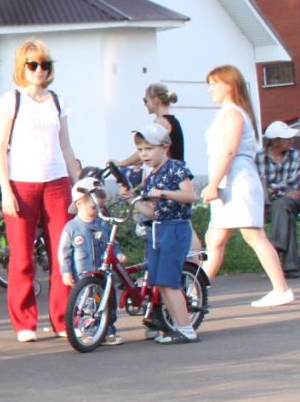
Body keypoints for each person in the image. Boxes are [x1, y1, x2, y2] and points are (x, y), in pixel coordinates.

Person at [0, 40, 80, 341]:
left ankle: (62, 318)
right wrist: (5, 189)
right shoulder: (11, 100)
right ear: (22, 68)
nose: (40, 70)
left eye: (46, 65)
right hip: (22, 182)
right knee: (22, 256)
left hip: (57, 183)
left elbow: (66, 146)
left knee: (63, 253)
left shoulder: (58, 99)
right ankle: (25, 323)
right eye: (33, 65)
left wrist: (77, 184)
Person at [201, 65, 293, 307]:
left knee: (253, 235)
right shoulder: (227, 113)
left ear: (229, 85)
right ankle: (195, 291)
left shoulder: (233, 113)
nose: (210, 89)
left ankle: (281, 288)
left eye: (214, 83)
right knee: (215, 239)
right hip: (228, 180)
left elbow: (229, 150)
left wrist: (212, 184)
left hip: (237, 180)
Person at [125, 123, 199, 343]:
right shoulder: (150, 177)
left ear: (165, 147)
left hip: (175, 227)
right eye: (140, 150)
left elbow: (190, 196)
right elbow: (152, 213)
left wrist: (164, 193)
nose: (144, 154)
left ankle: (186, 329)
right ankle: (177, 326)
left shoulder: (176, 167)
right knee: (159, 281)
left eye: (149, 148)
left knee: (169, 281)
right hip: (157, 229)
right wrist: (132, 199)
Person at [59, 180, 120, 345]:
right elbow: (64, 251)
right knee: (86, 304)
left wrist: (118, 254)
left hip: (104, 273)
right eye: (94, 207)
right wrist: (65, 271)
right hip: (83, 275)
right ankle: (90, 330)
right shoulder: (71, 227)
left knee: (109, 301)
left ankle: (109, 330)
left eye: (100, 208)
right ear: (79, 204)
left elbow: (113, 241)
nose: (98, 211)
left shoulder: (103, 225)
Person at [260, 121, 300, 275]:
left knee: (282, 205)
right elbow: (258, 183)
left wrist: (270, 189)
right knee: (284, 213)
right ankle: (291, 267)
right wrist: (275, 191)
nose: (291, 141)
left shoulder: (296, 156)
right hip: (268, 204)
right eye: (286, 138)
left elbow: (293, 182)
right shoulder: (259, 157)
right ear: (275, 141)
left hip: (293, 201)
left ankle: (276, 246)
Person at [114, 83, 186, 168]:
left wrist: (120, 163)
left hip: (169, 175)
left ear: (156, 100)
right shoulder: (172, 120)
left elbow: (147, 150)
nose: (145, 104)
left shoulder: (161, 122)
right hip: (175, 173)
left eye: (145, 100)